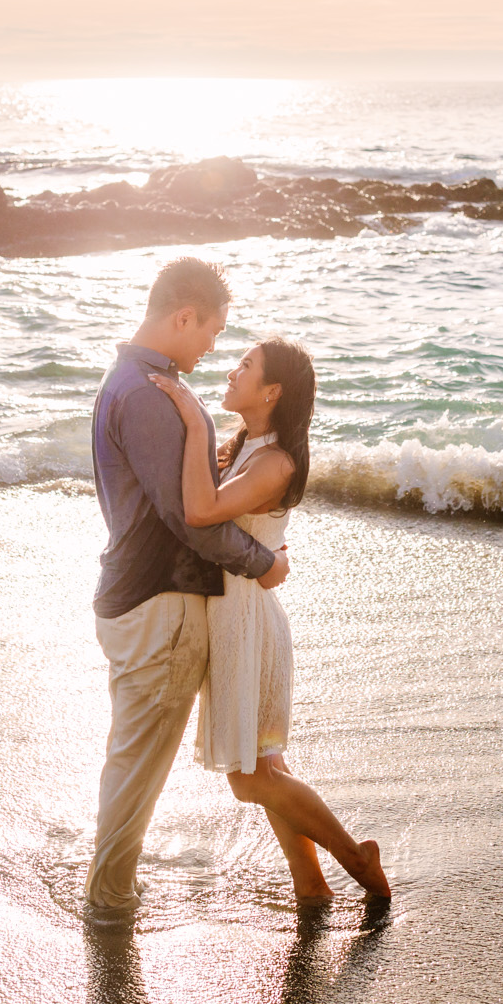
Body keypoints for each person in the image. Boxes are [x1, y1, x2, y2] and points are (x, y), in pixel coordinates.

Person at [149, 339, 391, 905]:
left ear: (272, 391)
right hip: (235, 612)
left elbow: (202, 512)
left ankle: (357, 858)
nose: (232, 371)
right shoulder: (247, 448)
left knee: (250, 778)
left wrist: (193, 415)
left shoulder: (276, 460)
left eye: (246, 367)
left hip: (248, 622)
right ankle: (310, 884)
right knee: (266, 769)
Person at [85, 257, 289, 914]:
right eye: (209, 331)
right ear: (182, 316)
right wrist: (264, 562)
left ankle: (112, 884)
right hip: (161, 605)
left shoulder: (132, 382)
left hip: (137, 596)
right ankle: (110, 900)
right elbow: (189, 519)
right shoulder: (150, 394)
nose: (212, 347)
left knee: (131, 755)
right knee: (138, 764)